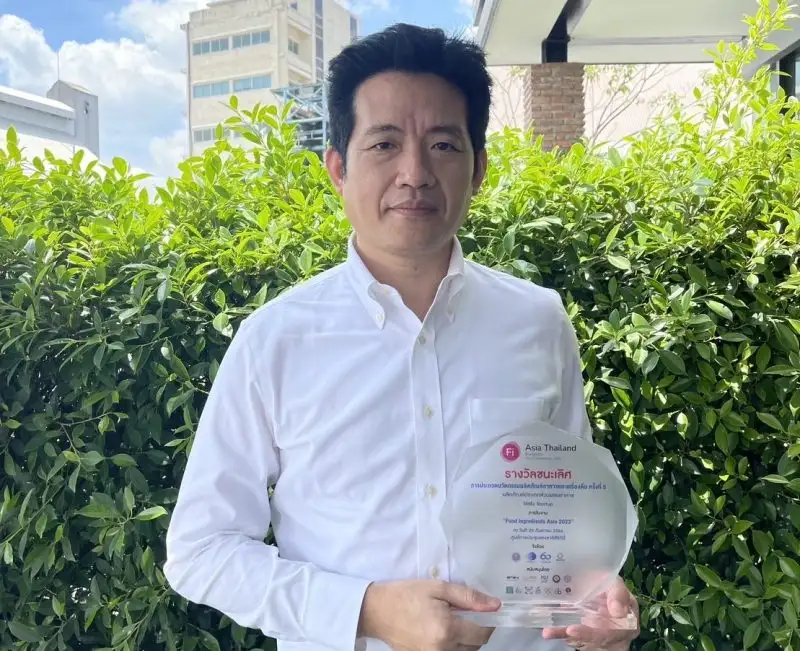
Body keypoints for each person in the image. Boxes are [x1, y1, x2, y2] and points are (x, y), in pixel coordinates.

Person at [164, 22, 640, 651]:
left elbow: (564, 511)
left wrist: (595, 599)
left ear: (479, 169)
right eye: (385, 144)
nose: (414, 173)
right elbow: (201, 549)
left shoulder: (538, 321)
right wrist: (364, 609)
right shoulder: (275, 341)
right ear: (338, 168)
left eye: (443, 145)